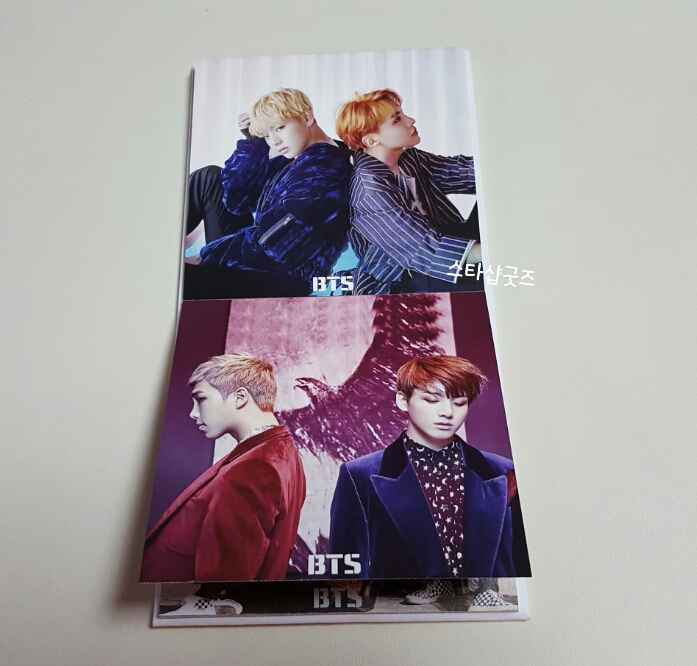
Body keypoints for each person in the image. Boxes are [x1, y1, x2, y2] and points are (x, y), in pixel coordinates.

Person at [328, 355, 530, 600]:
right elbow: (346, 577)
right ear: (403, 401)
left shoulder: (503, 471)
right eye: (432, 400)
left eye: (459, 403)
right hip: (401, 615)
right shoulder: (359, 475)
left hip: (493, 614)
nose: (447, 412)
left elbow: (522, 566)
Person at [140, 353, 306, 583]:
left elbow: (221, 589)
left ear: (240, 397)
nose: (193, 413)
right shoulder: (276, 453)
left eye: (201, 399)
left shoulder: (256, 468)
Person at [184, 88, 352, 299]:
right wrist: (253, 142)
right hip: (260, 256)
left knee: (179, 277)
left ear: (307, 118)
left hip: (281, 276)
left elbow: (277, 242)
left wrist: (206, 257)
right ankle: (164, 242)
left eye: (280, 128)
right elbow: (237, 200)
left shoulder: (325, 167)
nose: (274, 142)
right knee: (209, 177)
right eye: (266, 135)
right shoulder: (299, 156)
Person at [335, 89, 482, 295]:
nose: (411, 121)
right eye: (397, 120)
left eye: (402, 114)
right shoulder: (368, 190)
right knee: (493, 276)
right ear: (372, 141)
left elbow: (467, 173)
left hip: (441, 246)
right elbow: (421, 249)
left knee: (496, 188)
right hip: (401, 277)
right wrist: (491, 254)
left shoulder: (411, 159)